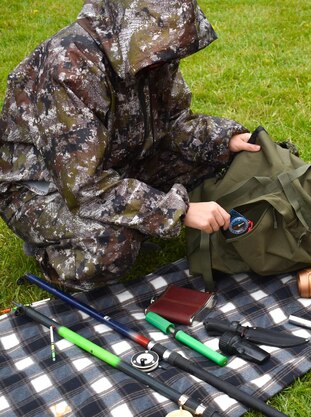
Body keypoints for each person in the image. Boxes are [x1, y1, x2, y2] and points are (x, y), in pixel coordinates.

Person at [0, 0, 260, 291]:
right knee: (113, 246)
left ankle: (144, 219)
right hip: (44, 191)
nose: (169, 58)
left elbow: (173, 123)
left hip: (112, 163)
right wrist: (178, 211)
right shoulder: (69, 68)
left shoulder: (148, 53)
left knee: (215, 158)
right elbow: (83, 188)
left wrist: (227, 139)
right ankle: (51, 248)